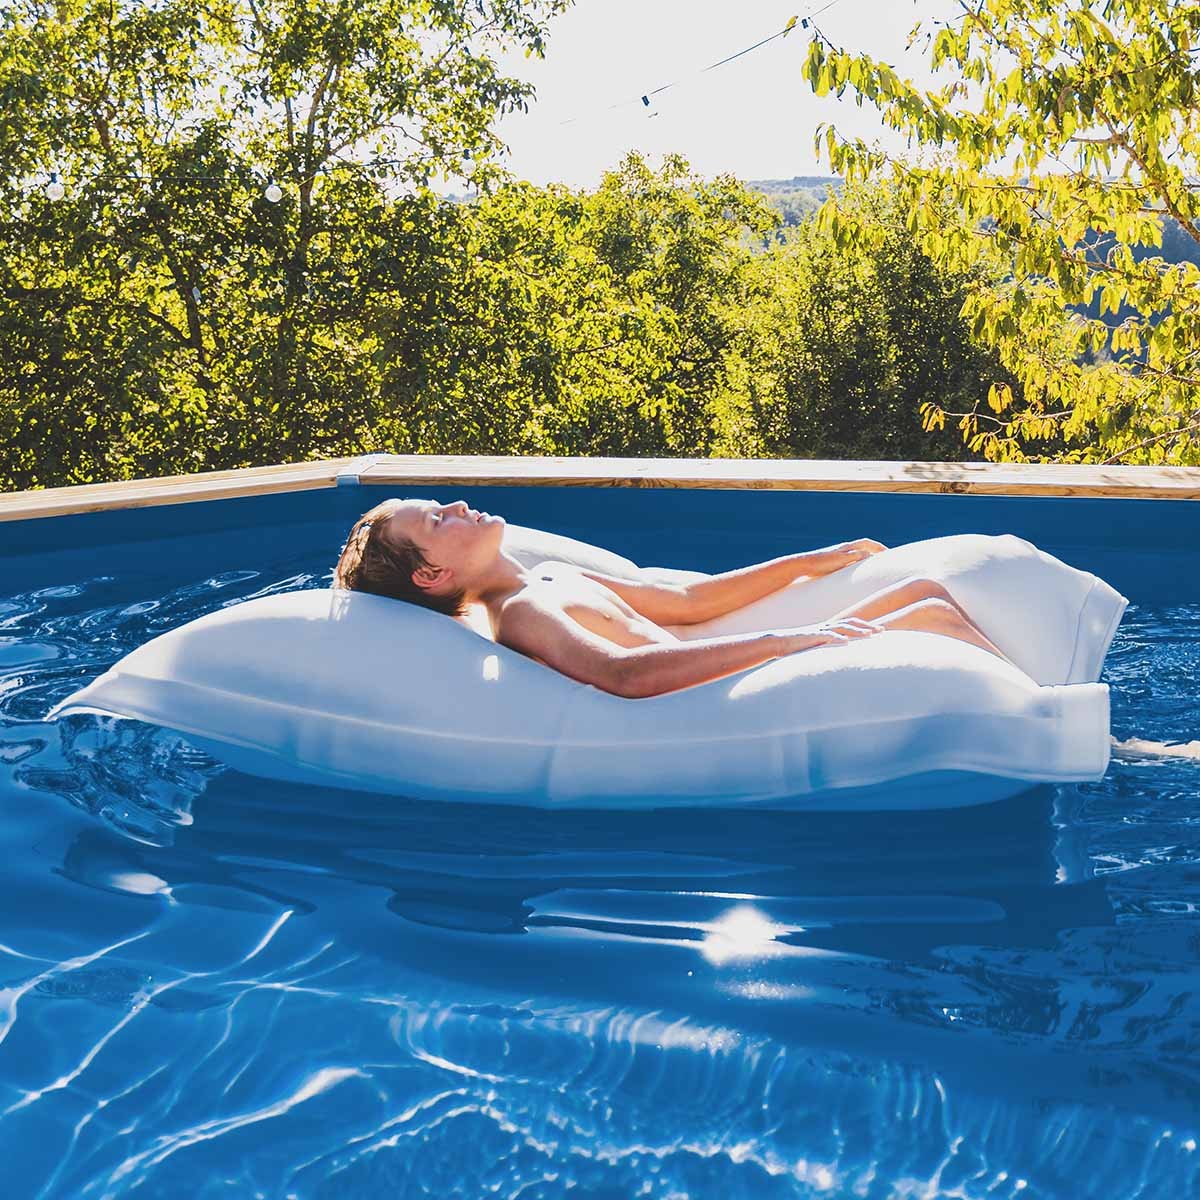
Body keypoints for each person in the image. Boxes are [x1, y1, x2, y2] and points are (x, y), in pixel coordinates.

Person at [333, 497, 1016, 698]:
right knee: (928, 612)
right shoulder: (521, 613)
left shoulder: (548, 578)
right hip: (737, 689)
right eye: (438, 521)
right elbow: (621, 674)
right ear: (431, 576)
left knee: (922, 591)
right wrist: (785, 641)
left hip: (748, 663)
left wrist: (808, 562)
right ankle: (1051, 719)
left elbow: (686, 600)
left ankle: (1038, 704)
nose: (457, 506)